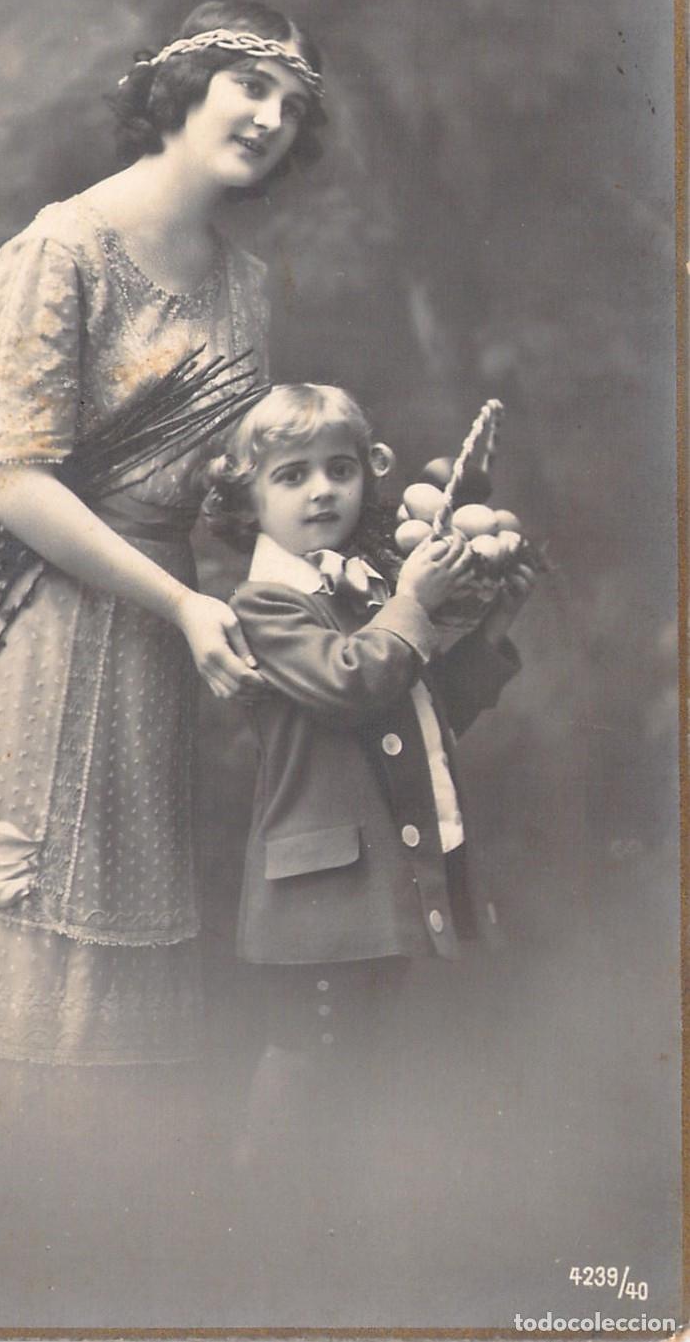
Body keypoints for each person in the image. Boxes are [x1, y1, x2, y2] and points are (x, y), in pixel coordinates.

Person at [0, 2, 326, 1095]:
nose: (267, 118)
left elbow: (226, 491)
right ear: (183, 89)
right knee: (19, 935)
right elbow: (14, 482)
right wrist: (183, 603)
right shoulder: (63, 246)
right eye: (249, 86)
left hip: (156, 646)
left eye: (292, 108)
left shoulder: (246, 286)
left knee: (118, 945)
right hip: (27, 637)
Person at [200, 383, 536, 1175]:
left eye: (339, 468)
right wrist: (415, 604)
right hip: (319, 884)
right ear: (249, 496)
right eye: (291, 475)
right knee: (309, 1051)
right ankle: (263, 1197)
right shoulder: (266, 603)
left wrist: (488, 633)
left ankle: (341, 1212)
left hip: (369, 872)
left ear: (367, 473)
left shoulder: (359, 589)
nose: (321, 489)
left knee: (364, 1050)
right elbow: (351, 682)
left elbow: (424, 711)